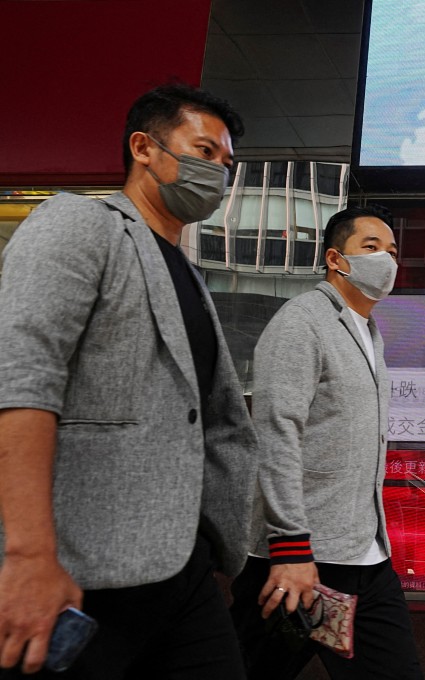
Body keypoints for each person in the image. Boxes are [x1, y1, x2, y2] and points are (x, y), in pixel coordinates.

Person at [0, 83, 257, 678]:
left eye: (226, 163)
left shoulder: (187, 274)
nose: (217, 172)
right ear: (144, 147)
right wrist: (30, 553)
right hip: (83, 569)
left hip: (182, 566)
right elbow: (20, 377)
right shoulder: (78, 223)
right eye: (203, 151)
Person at [231, 205, 423, 679]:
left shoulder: (369, 332)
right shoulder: (302, 322)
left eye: (393, 252)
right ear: (337, 259)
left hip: (365, 556)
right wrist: (291, 548)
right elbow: (277, 432)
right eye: (371, 248)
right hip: (299, 561)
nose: (387, 261)